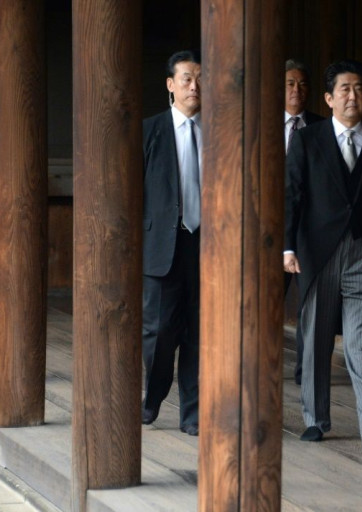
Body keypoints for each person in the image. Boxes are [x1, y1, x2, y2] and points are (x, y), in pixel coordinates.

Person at [285, 59, 362, 452]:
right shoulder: (307, 140)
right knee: (315, 339)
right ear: (329, 98)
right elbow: (293, 196)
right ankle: (316, 420)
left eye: (360, 89)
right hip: (318, 253)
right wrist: (287, 246)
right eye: (345, 89)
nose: (353, 96)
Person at [141, 50, 202, 436]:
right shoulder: (149, 131)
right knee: (160, 331)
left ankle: (193, 414)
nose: (195, 86)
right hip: (162, 245)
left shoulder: (221, 132)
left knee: (200, 333)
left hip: (207, 244)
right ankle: (152, 399)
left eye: (200, 79)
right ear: (170, 84)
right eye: (187, 79)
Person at [283, 59, 324, 385]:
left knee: (310, 305)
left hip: (310, 231)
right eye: (290, 83)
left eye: (303, 84)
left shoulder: (323, 128)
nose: (297, 90)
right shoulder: (262, 126)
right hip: (269, 233)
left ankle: (305, 371)